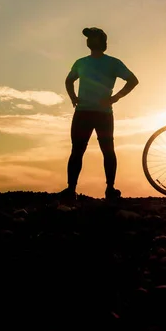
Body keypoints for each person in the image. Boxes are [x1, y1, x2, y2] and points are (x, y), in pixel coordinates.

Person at [59, 27, 139, 201]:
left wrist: (115, 98)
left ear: (102, 41)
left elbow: (133, 80)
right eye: (88, 38)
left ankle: (110, 189)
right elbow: (69, 80)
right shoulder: (80, 62)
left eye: (92, 37)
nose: (89, 40)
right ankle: (71, 189)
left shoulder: (113, 63)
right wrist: (73, 97)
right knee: (77, 151)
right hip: (83, 112)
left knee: (107, 151)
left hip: (103, 114)